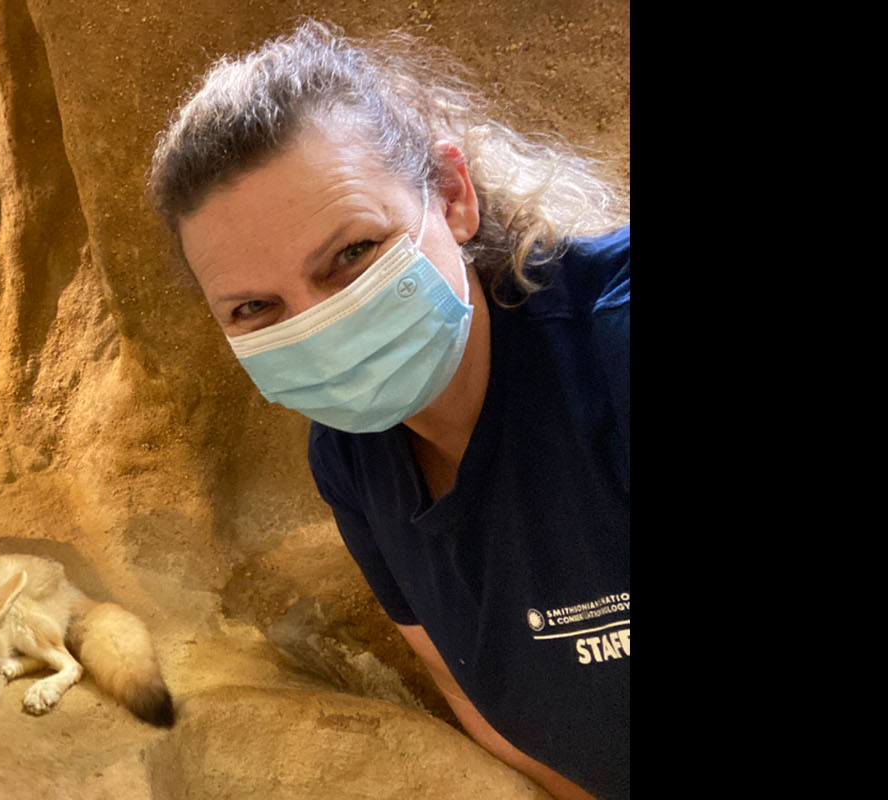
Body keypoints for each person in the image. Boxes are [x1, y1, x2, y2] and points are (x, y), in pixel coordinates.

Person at [147, 20, 629, 800]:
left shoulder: (612, 342)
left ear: (454, 196)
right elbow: (470, 693)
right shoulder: (349, 459)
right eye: (254, 307)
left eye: (352, 252)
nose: (319, 323)